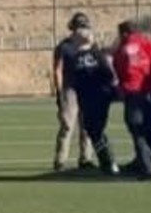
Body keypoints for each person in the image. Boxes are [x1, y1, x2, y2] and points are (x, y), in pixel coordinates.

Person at [112, 20, 151, 181]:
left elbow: (123, 72)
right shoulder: (149, 43)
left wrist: (122, 89)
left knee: (138, 132)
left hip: (135, 95)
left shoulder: (122, 50)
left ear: (124, 33)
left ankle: (148, 169)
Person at [66, 23, 121, 175]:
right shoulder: (97, 54)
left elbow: (73, 81)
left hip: (90, 98)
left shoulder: (74, 58)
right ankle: (108, 162)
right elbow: (109, 75)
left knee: (94, 130)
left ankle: (109, 162)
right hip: (100, 96)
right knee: (95, 130)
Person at [51, 12, 96, 171]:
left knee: (87, 126)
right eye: (80, 27)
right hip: (70, 90)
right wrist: (59, 92)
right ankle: (60, 160)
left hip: (87, 89)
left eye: (84, 27)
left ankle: (86, 159)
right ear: (73, 28)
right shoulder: (64, 47)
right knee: (67, 125)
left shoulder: (90, 45)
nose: (82, 30)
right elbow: (58, 70)